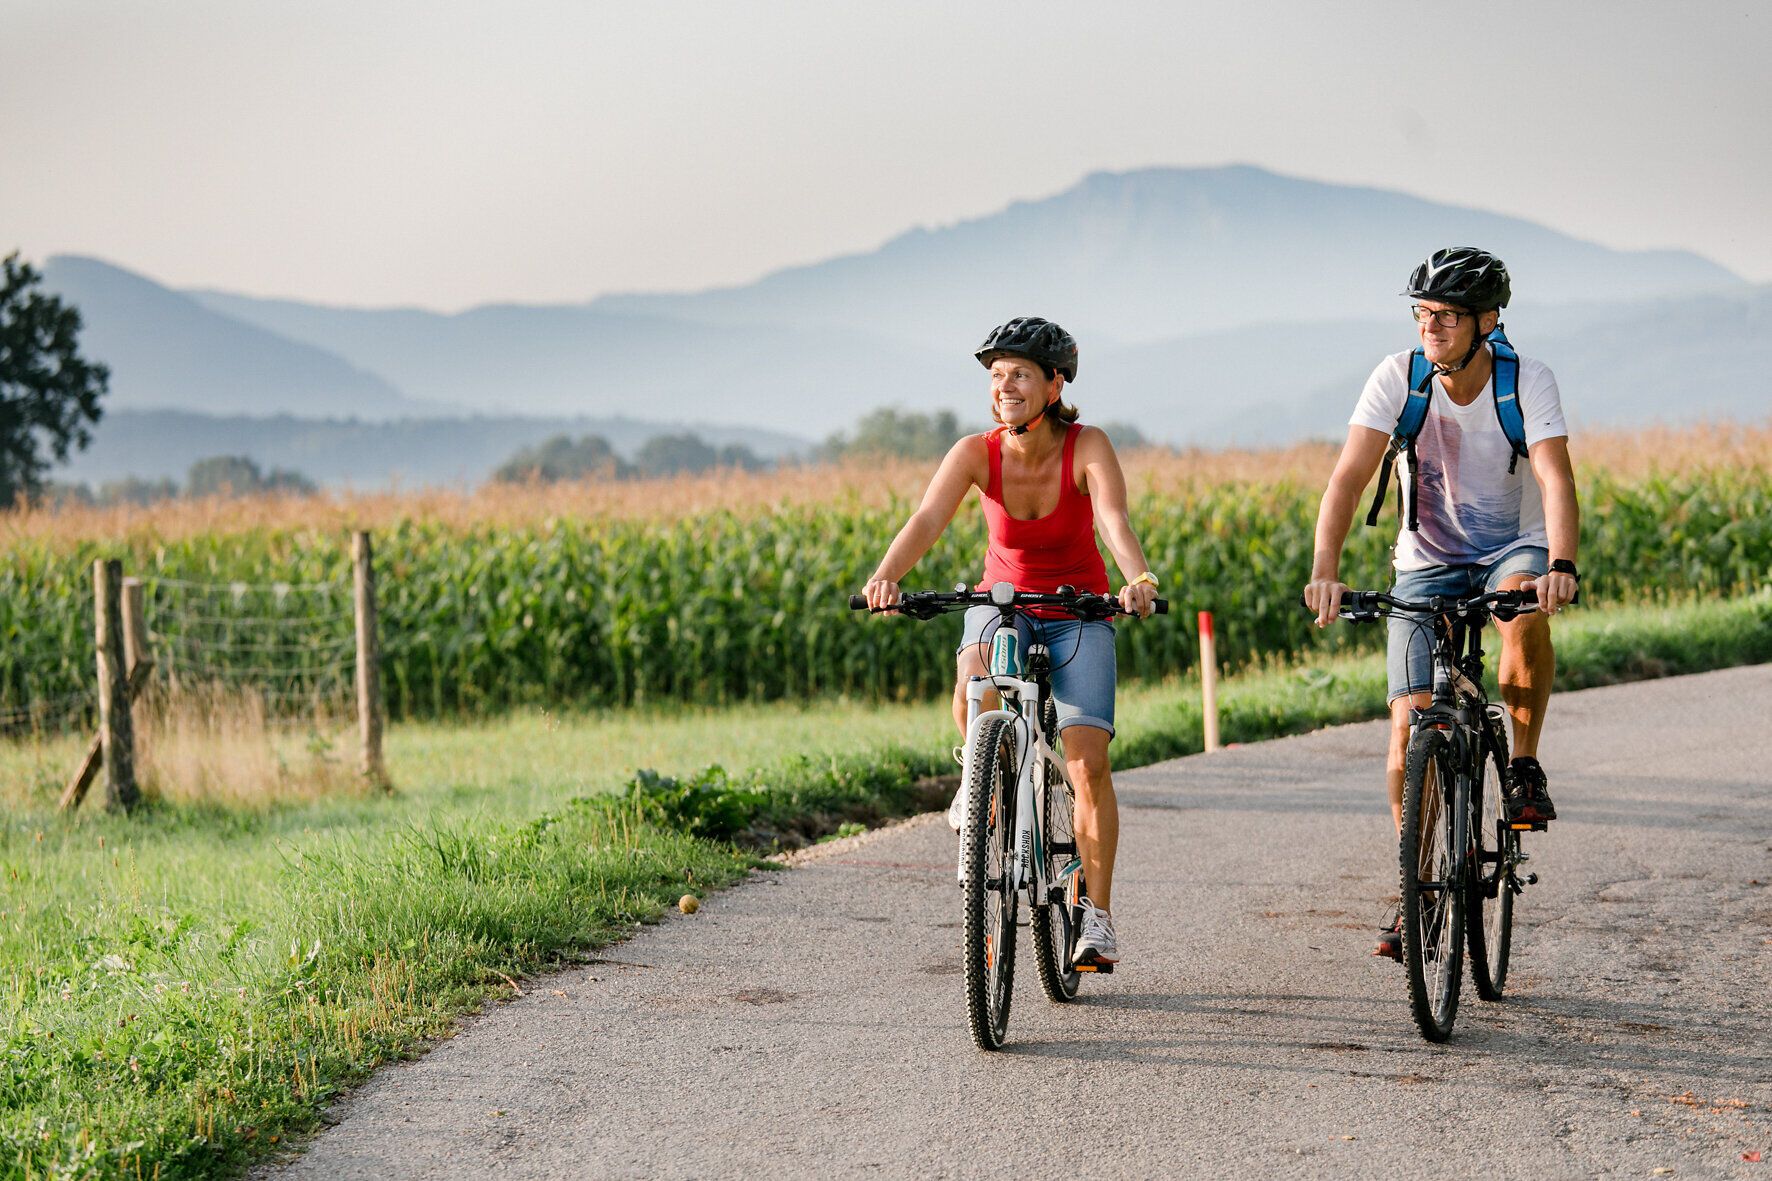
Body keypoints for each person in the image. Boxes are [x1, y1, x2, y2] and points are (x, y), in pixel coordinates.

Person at [1301, 247, 1580, 961]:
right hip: (1424, 559)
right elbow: (1345, 478)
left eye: (1447, 316)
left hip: (1510, 547)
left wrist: (1561, 564)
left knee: (1520, 606)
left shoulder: (1525, 381)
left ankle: (1521, 765)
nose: (1431, 327)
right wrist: (1325, 569)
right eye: (1422, 313)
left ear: (1488, 321)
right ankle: (1414, 882)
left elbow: (1553, 476)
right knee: (1406, 729)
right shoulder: (1399, 378)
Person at [861, 317, 1159, 969]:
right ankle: (981, 783)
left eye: (1020, 373)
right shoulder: (975, 451)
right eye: (996, 376)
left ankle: (1096, 917)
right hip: (1004, 601)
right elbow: (927, 518)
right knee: (976, 676)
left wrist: (1137, 577)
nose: (1005, 386)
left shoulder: (1087, 446)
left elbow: (1112, 515)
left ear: (1055, 384)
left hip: (1078, 608)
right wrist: (887, 576)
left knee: (1086, 763)